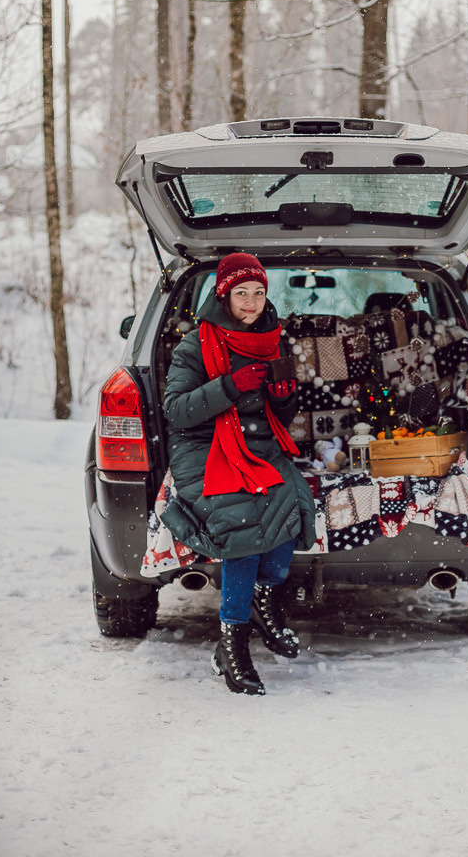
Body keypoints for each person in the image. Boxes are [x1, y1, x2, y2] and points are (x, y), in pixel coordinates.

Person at [160, 252, 316, 695]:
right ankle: (233, 646)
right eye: (241, 294)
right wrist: (228, 387)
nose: (251, 303)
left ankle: (264, 600)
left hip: (258, 445)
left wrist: (284, 398)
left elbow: (277, 415)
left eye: (259, 293)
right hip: (204, 447)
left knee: (293, 507)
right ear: (224, 296)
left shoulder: (272, 339)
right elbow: (176, 411)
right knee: (243, 525)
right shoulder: (196, 344)